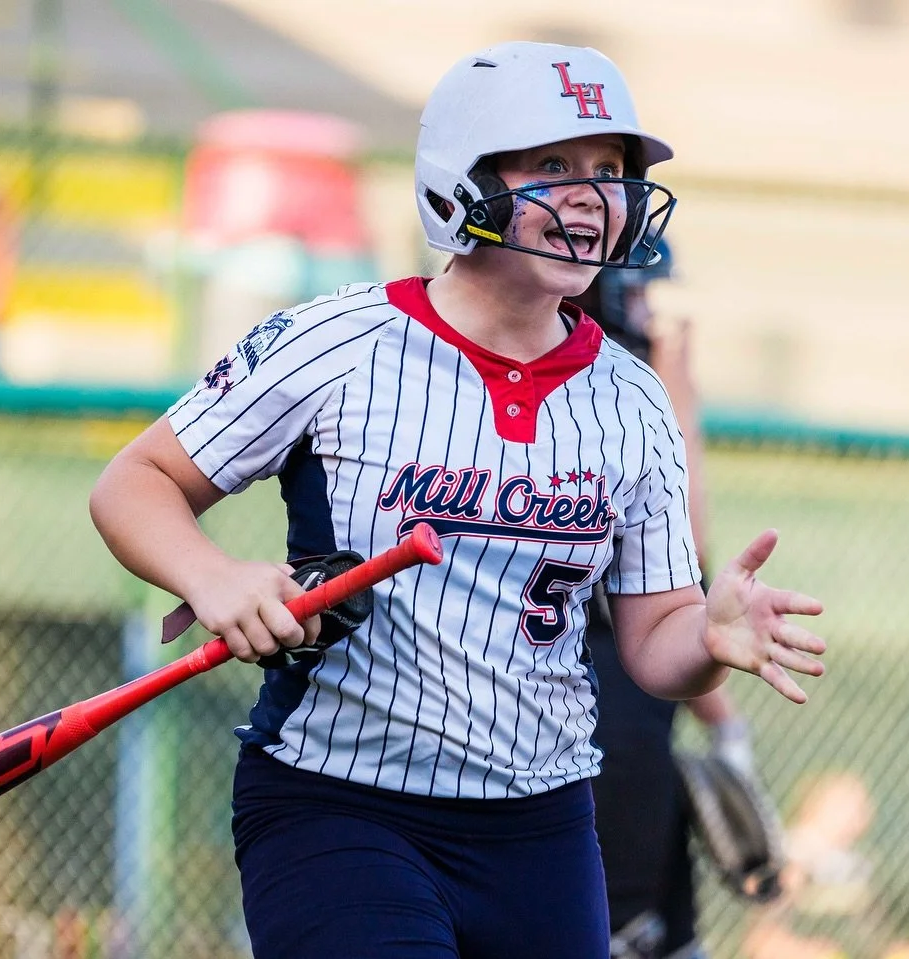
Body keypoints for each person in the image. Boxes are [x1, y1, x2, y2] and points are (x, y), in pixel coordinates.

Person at [89, 40, 826, 959]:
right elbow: (135, 482)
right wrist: (211, 576)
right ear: (462, 181)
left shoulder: (633, 399)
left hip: (543, 826)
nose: (593, 197)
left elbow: (654, 641)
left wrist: (711, 641)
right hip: (339, 803)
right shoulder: (338, 342)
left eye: (609, 171)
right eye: (555, 166)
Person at [570, 238, 764, 959]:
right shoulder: (612, 387)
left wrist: (727, 728)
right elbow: (690, 544)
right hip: (588, 712)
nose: (657, 314)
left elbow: (674, 599)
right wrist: (675, 390)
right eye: (644, 293)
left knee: (665, 929)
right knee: (618, 926)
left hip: (626, 699)